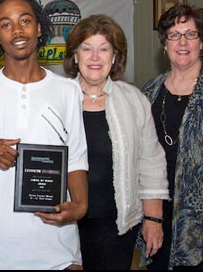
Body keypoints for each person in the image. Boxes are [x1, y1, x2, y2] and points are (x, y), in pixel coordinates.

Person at [0, 0, 88, 270]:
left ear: (40, 28)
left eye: (25, 21)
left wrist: (80, 205)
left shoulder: (67, 90)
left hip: (58, 241)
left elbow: (76, 157)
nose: (17, 30)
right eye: (6, 24)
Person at [63, 14, 170, 270]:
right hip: (64, 222)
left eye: (104, 49)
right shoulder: (57, 98)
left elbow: (151, 162)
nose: (95, 57)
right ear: (75, 56)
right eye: (86, 49)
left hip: (117, 225)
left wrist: (154, 219)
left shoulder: (134, 100)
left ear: (114, 57)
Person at [141, 3, 203, 270]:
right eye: (174, 35)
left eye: (190, 34)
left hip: (199, 221)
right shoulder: (149, 92)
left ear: (201, 43)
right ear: (164, 44)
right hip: (159, 214)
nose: (182, 41)